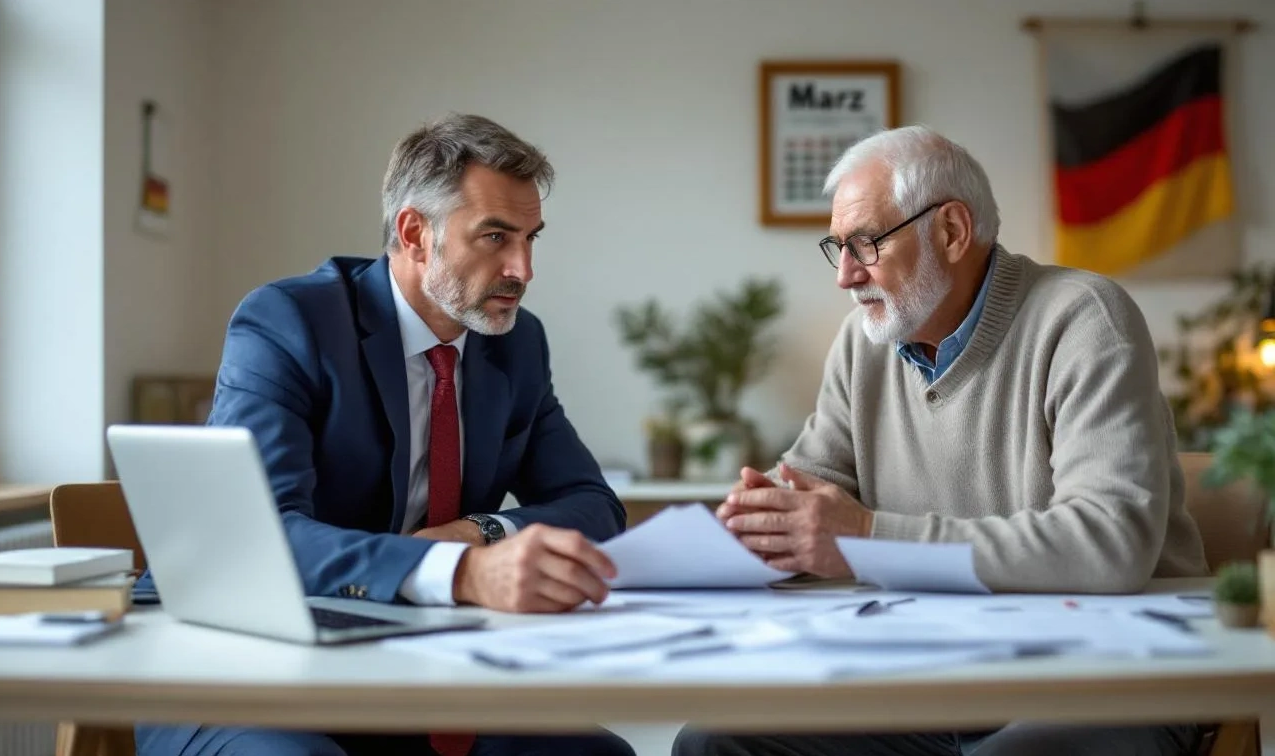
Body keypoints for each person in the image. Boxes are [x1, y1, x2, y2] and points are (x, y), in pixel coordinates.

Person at [673, 125, 1208, 756]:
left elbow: (1109, 544)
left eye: (865, 244)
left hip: (1107, 675)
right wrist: (763, 526)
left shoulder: (1083, 319)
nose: (845, 276)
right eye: (837, 248)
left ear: (951, 231)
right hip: (932, 677)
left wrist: (866, 537)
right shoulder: (862, 343)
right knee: (716, 740)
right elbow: (814, 490)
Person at [136, 114, 634, 756]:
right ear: (414, 233)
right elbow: (257, 536)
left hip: (408, 669)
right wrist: (459, 574)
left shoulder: (516, 345)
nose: (523, 269)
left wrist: (477, 533)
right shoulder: (289, 322)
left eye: (531, 238)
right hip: (241, 667)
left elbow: (595, 506)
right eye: (495, 237)